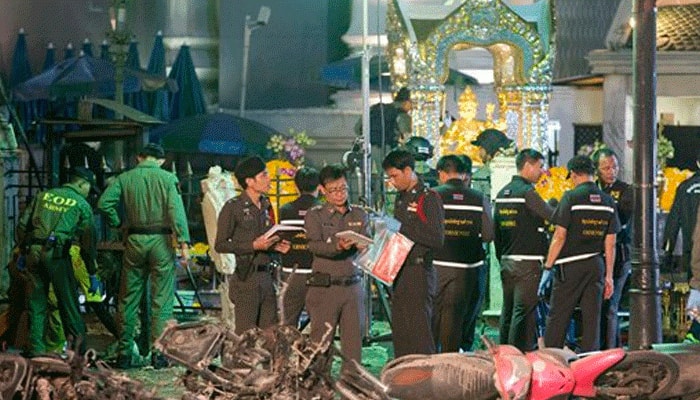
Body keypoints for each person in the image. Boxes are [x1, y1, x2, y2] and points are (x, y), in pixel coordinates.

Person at [97, 143, 191, 369]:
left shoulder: (125, 177)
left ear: (139, 158)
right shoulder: (168, 179)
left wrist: (118, 223)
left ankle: (124, 353)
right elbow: (176, 212)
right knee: (162, 299)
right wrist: (184, 242)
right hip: (161, 241)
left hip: (135, 240)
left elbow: (103, 204)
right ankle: (159, 353)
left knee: (128, 299)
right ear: (160, 160)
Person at [16, 166, 100, 356]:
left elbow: (22, 225)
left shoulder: (42, 196)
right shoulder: (81, 204)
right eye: (89, 188)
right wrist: (92, 273)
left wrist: (22, 251)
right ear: (81, 183)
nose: (89, 194)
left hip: (33, 252)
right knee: (68, 303)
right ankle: (80, 354)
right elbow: (88, 243)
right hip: (56, 255)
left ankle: (36, 352)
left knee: (36, 304)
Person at [540, 155, 620, 351]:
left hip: (570, 266)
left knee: (558, 316)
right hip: (596, 265)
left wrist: (548, 267)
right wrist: (609, 276)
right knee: (592, 319)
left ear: (574, 175)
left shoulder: (571, 197)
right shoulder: (608, 201)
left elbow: (560, 236)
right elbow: (611, 242)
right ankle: (590, 363)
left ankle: (551, 361)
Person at [215, 156, 290, 336]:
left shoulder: (266, 205)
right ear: (249, 181)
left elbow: (267, 237)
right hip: (246, 277)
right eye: (263, 175)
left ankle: (265, 365)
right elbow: (220, 244)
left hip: (267, 277)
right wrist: (252, 245)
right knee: (246, 335)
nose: (269, 179)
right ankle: (243, 365)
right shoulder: (233, 207)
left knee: (269, 334)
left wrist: (276, 246)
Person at [304, 164, 369, 367]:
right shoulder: (315, 215)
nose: (339, 194)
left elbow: (370, 244)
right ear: (322, 190)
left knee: (353, 349)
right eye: (333, 190)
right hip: (326, 288)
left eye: (343, 188)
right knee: (321, 346)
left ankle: (352, 391)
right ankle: (318, 392)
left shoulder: (359, 214)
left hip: (353, 287)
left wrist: (364, 247)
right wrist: (337, 246)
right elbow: (314, 246)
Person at [382, 149, 445, 356]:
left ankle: (425, 379)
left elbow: (436, 238)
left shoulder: (428, 198)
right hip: (400, 270)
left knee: (418, 332)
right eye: (389, 177)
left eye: (395, 176)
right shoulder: (401, 198)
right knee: (401, 331)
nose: (392, 181)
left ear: (408, 170)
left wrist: (400, 228)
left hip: (418, 271)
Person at [432, 155, 494, 352]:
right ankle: (454, 360)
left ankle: (432, 360)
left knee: (434, 315)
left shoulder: (433, 195)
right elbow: (487, 235)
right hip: (469, 269)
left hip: (437, 265)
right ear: (465, 174)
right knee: (459, 318)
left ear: (442, 173)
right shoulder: (479, 198)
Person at [494, 149, 554, 352]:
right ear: (528, 166)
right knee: (523, 312)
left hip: (507, 261)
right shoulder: (527, 193)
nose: (542, 172)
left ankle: (503, 352)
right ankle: (516, 356)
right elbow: (552, 216)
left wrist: (502, 257)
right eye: (540, 166)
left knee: (508, 311)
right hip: (528, 262)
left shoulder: (503, 193)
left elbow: (497, 232)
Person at [592, 148, 633, 349]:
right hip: (596, 256)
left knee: (610, 306)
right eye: (606, 167)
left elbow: (621, 220)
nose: (611, 171)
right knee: (596, 307)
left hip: (619, 256)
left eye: (614, 166)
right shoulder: (593, 190)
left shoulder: (625, 191)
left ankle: (611, 349)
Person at [278, 166, 321, 327]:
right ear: (319, 187)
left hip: (291, 271)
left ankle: (288, 351)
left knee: (288, 323)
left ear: (296, 186)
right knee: (319, 323)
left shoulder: (285, 210)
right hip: (316, 272)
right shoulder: (323, 210)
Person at [665, 149, 700, 342]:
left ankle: (691, 332)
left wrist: (667, 252)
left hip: (691, 251)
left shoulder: (685, 187)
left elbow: (673, 222)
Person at [470, 128, 514, 199]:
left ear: (488, 147)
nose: (479, 153)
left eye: (480, 148)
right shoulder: (517, 168)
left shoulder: (479, 175)